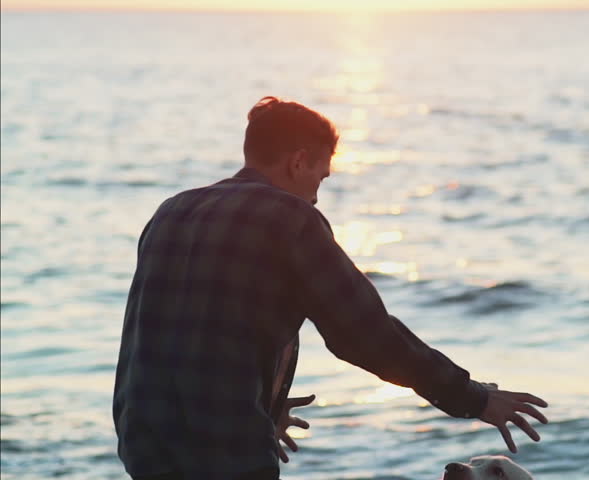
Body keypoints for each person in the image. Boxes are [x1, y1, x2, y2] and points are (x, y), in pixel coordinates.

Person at [112, 96, 548, 480]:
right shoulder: (289, 218)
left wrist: (262, 409)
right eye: (320, 179)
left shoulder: (170, 213)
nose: (317, 198)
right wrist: (471, 398)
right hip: (226, 451)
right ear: (298, 161)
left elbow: (165, 336)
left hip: (146, 444)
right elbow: (364, 334)